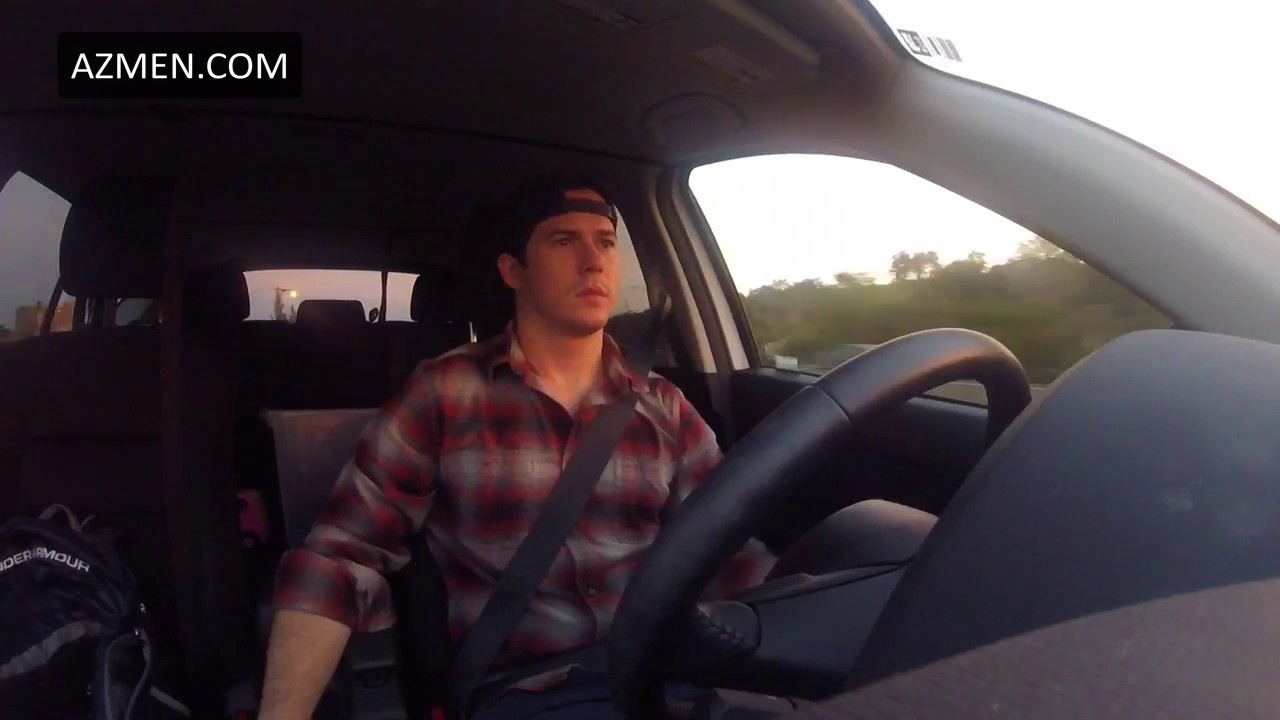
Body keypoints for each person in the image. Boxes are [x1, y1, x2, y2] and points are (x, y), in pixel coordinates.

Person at [258, 173, 778, 719]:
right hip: (530, 692)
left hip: (666, 678)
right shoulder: (444, 391)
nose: (594, 261)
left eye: (605, 242)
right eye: (564, 240)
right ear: (513, 271)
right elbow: (339, 558)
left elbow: (729, 548)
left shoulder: (664, 405)